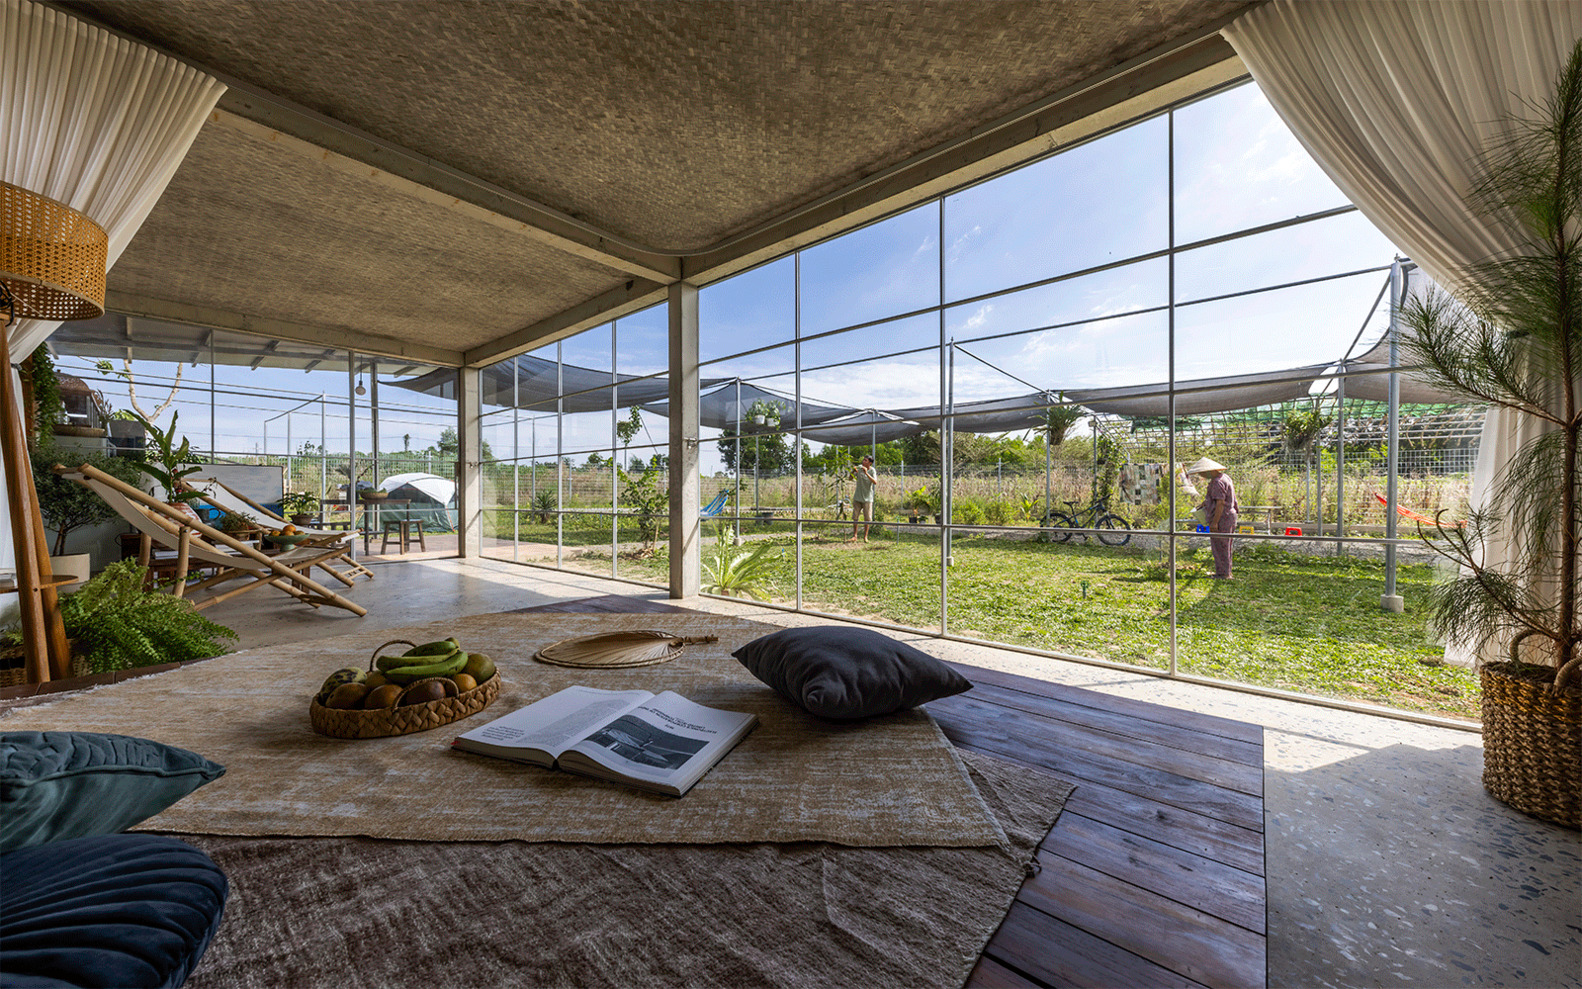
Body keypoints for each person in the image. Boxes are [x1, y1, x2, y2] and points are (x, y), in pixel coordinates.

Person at [1188, 456, 1238, 579]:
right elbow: (1219, 499)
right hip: (1230, 515)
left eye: (1202, 473)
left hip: (1222, 517)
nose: (1201, 475)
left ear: (1209, 471)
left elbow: (1220, 503)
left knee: (1220, 546)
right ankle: (1226, 571)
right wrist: (1204, 504)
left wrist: (1215, 522)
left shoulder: (1217, 482)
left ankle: (1223, 574)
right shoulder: (1225, 478)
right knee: (1225, 545)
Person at [848, 455, 877, 542]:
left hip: (867, 499)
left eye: (865, 460)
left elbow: (875, 482)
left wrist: (866, 473)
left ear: (870, 463)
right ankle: (855, 536)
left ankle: (865, 537)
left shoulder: (872, 471)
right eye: (863, 460)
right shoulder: (859, 468)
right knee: (855, 517)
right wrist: (853, 471)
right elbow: (850, 479)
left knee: (867, 519)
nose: (863, 462)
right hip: (857, 497)